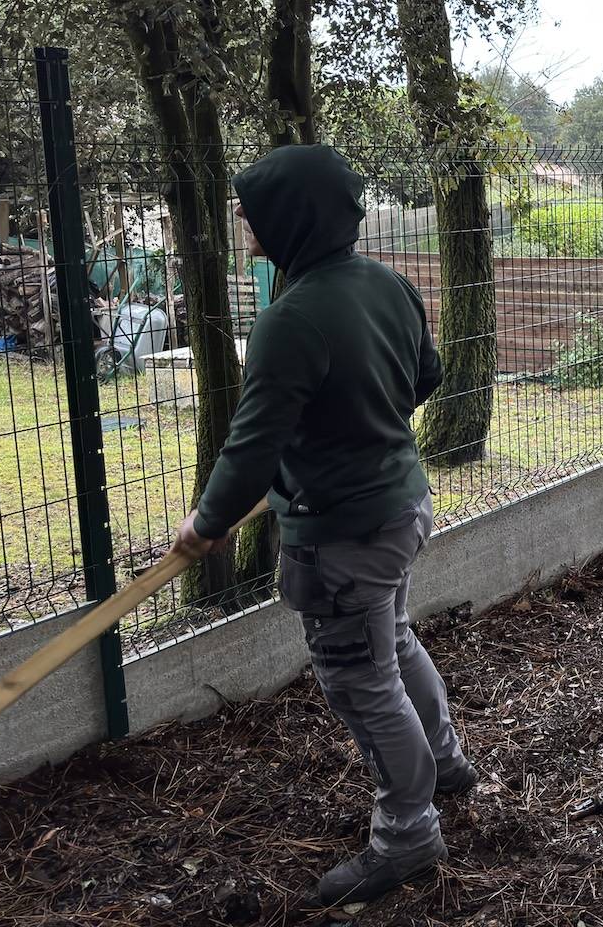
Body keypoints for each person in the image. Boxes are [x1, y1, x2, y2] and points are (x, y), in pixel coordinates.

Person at [175, 144, 476, 908]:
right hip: (403, 507)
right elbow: (426, 377)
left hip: (343, 535)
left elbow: (251, 446)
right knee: (393, 639)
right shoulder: (389, 283)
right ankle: (444, 764)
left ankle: (407, 835)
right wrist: (362, 426)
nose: (240, 216)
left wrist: (205, 525)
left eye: (251, 205)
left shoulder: (290, 320)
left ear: (292, 216)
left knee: (360, 678)